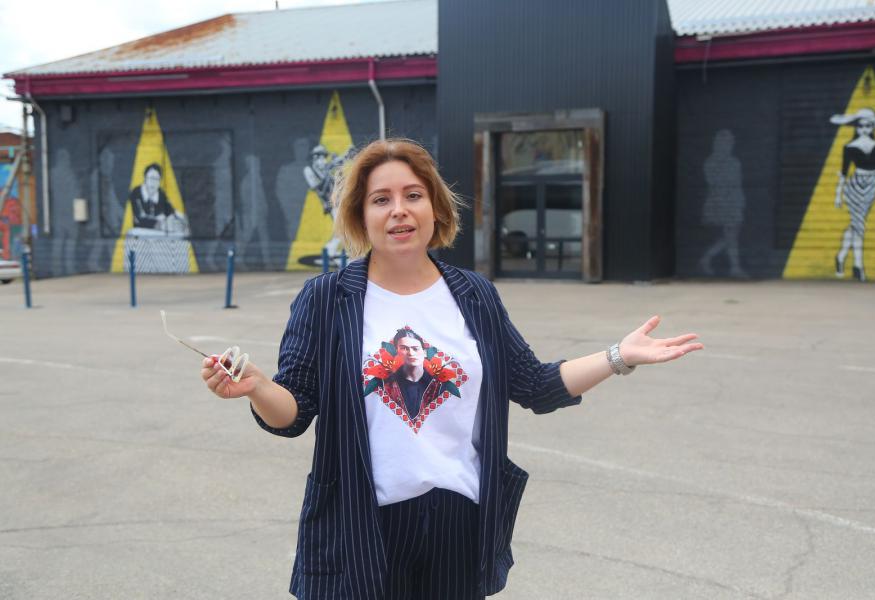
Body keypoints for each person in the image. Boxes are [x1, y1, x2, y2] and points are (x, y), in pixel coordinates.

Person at [200, 138, 703, 600]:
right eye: (381, 199)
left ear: (435, 207)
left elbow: (534, 384)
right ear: (360, 215)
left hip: (457, 522)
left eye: (413, 195)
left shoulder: (474, 294)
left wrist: (618, 356)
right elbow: (294, 413)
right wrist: (257, 388)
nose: (399, 210)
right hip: (359, 523)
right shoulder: (327, 298)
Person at [830, 107, 875, 281]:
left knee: (855, 225)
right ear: (856, 127)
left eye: (868, 126)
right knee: (859, 225)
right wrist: (838, 195)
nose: (864, 129)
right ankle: (858, 266)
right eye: (861, 126)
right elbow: (844, 173)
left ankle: (841, 257)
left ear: (873, 127)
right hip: (854, 186)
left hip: (871, 187)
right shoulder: (849, 147)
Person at [129, 163, 176, 230]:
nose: (153, 182)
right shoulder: (136, 192)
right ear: (145, 178)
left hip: (159, 234)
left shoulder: (161, 194)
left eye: (156, 179)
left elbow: (171, 213)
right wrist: (160, 222)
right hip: (140, 233)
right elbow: (139, 219)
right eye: (151, 178)